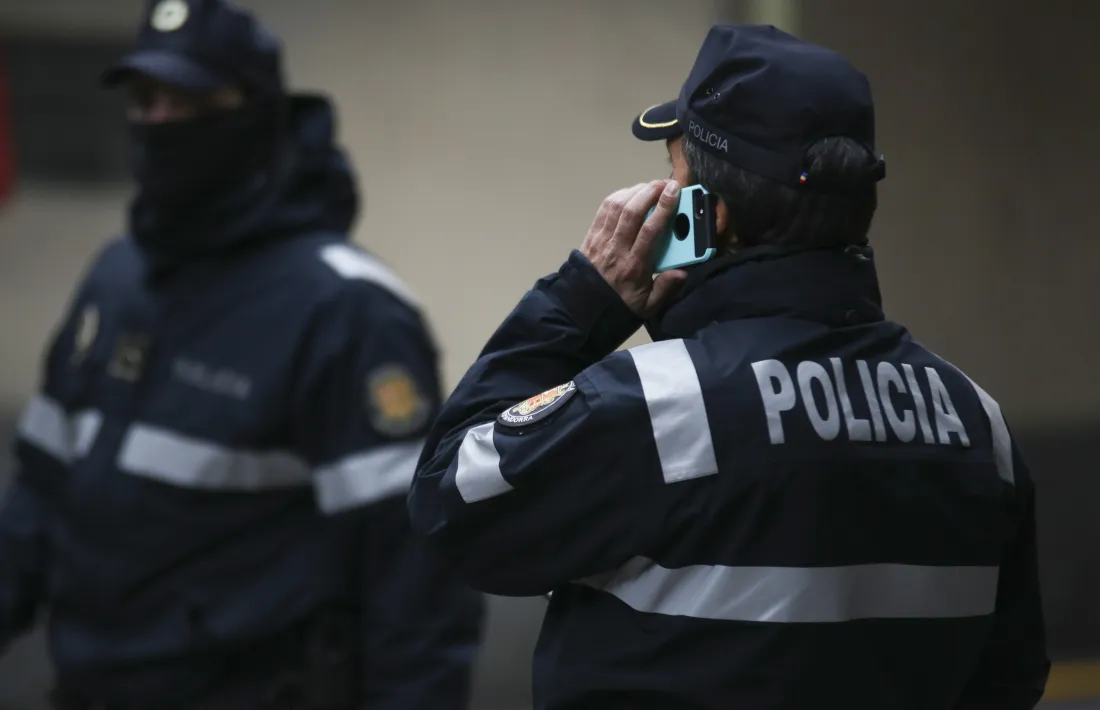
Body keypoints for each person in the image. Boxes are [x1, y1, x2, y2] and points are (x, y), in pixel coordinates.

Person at [408, 23, 1050, 710]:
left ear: (709, 216)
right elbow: (1007, 677)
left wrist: (582, 301)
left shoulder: (657, 408)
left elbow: (452, 504)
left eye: (674, 183)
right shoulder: (978, 425)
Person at [0, 0, 484, 708]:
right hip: (89, 687)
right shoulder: (118, 276)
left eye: (190, 100)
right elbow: (38, 496)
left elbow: (413, 581)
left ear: (255, 114)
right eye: (144, 100)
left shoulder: (347, 310)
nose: (159, 120)